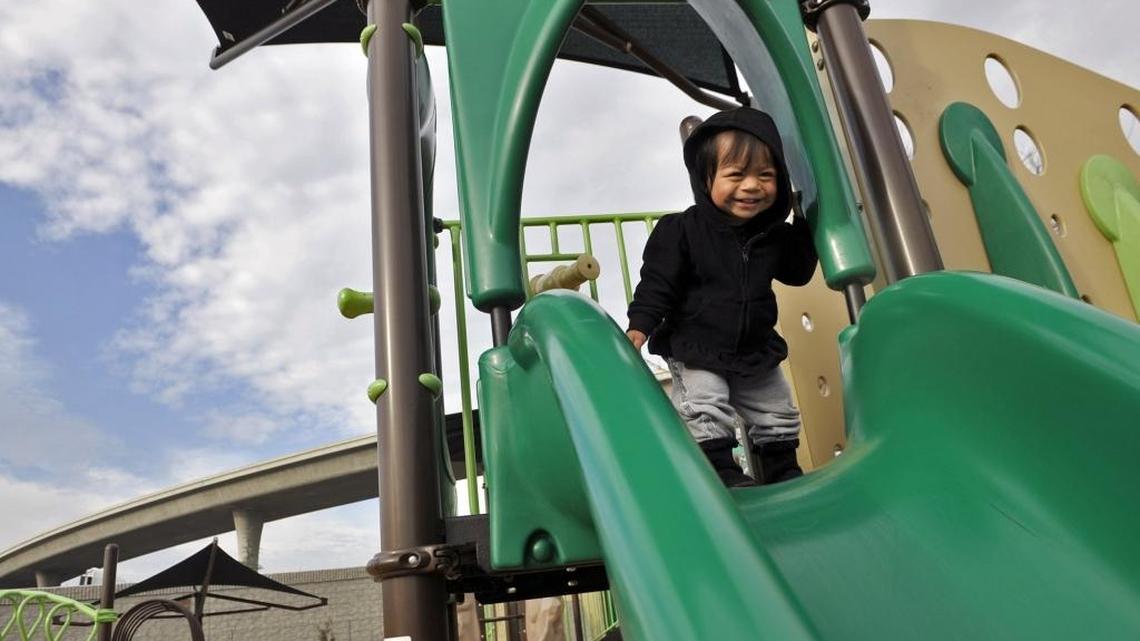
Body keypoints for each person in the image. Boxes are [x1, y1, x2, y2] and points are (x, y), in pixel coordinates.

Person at [626, 107, 817, 487]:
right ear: (706, 178)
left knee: (777, 409)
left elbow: (797, 274)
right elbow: (657, 283)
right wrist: (639, 327)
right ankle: (719, 469)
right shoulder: (681, 231)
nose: (752, 186)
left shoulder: (772, 236)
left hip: (753, 347)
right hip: (696, 344)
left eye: (766, 175)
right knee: (706, 403)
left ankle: (781, 469)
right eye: (736, 175)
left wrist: (804, 220)